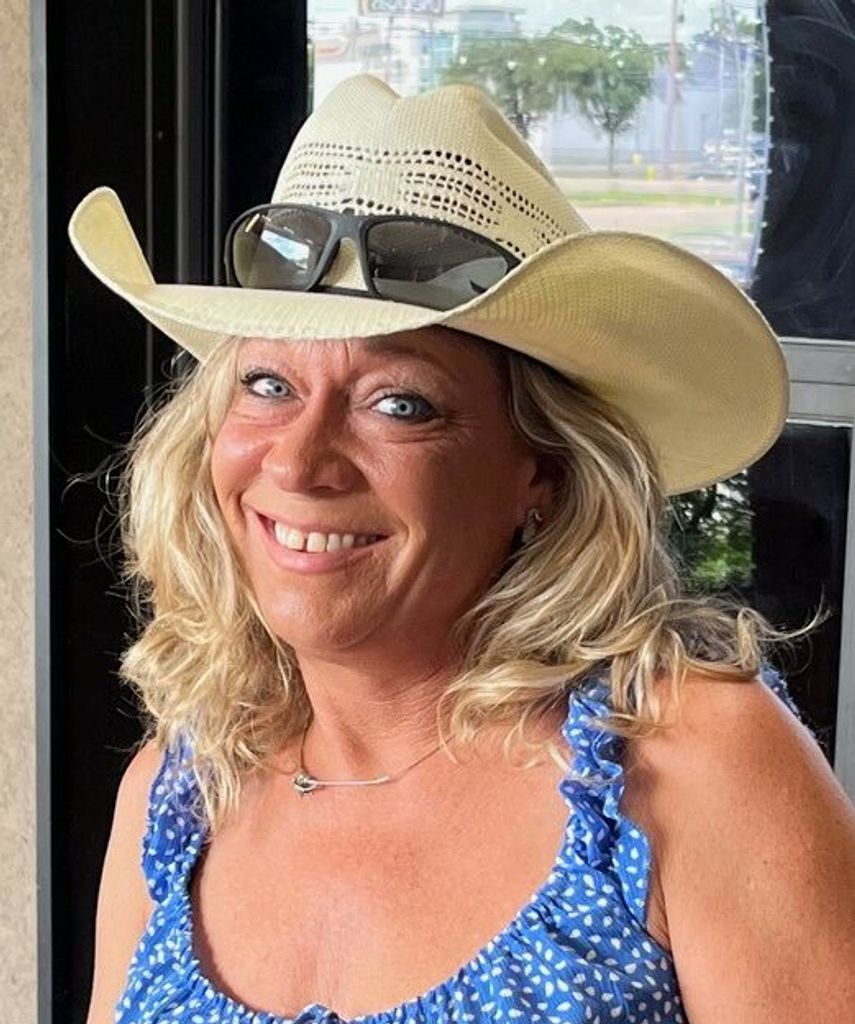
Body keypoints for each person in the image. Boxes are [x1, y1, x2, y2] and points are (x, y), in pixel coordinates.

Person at [70, 74, 855, 1024]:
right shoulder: (177, 793)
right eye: (269, 385)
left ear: (543, 474)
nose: (300, 462)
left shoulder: (683, 765)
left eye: (399, 403)